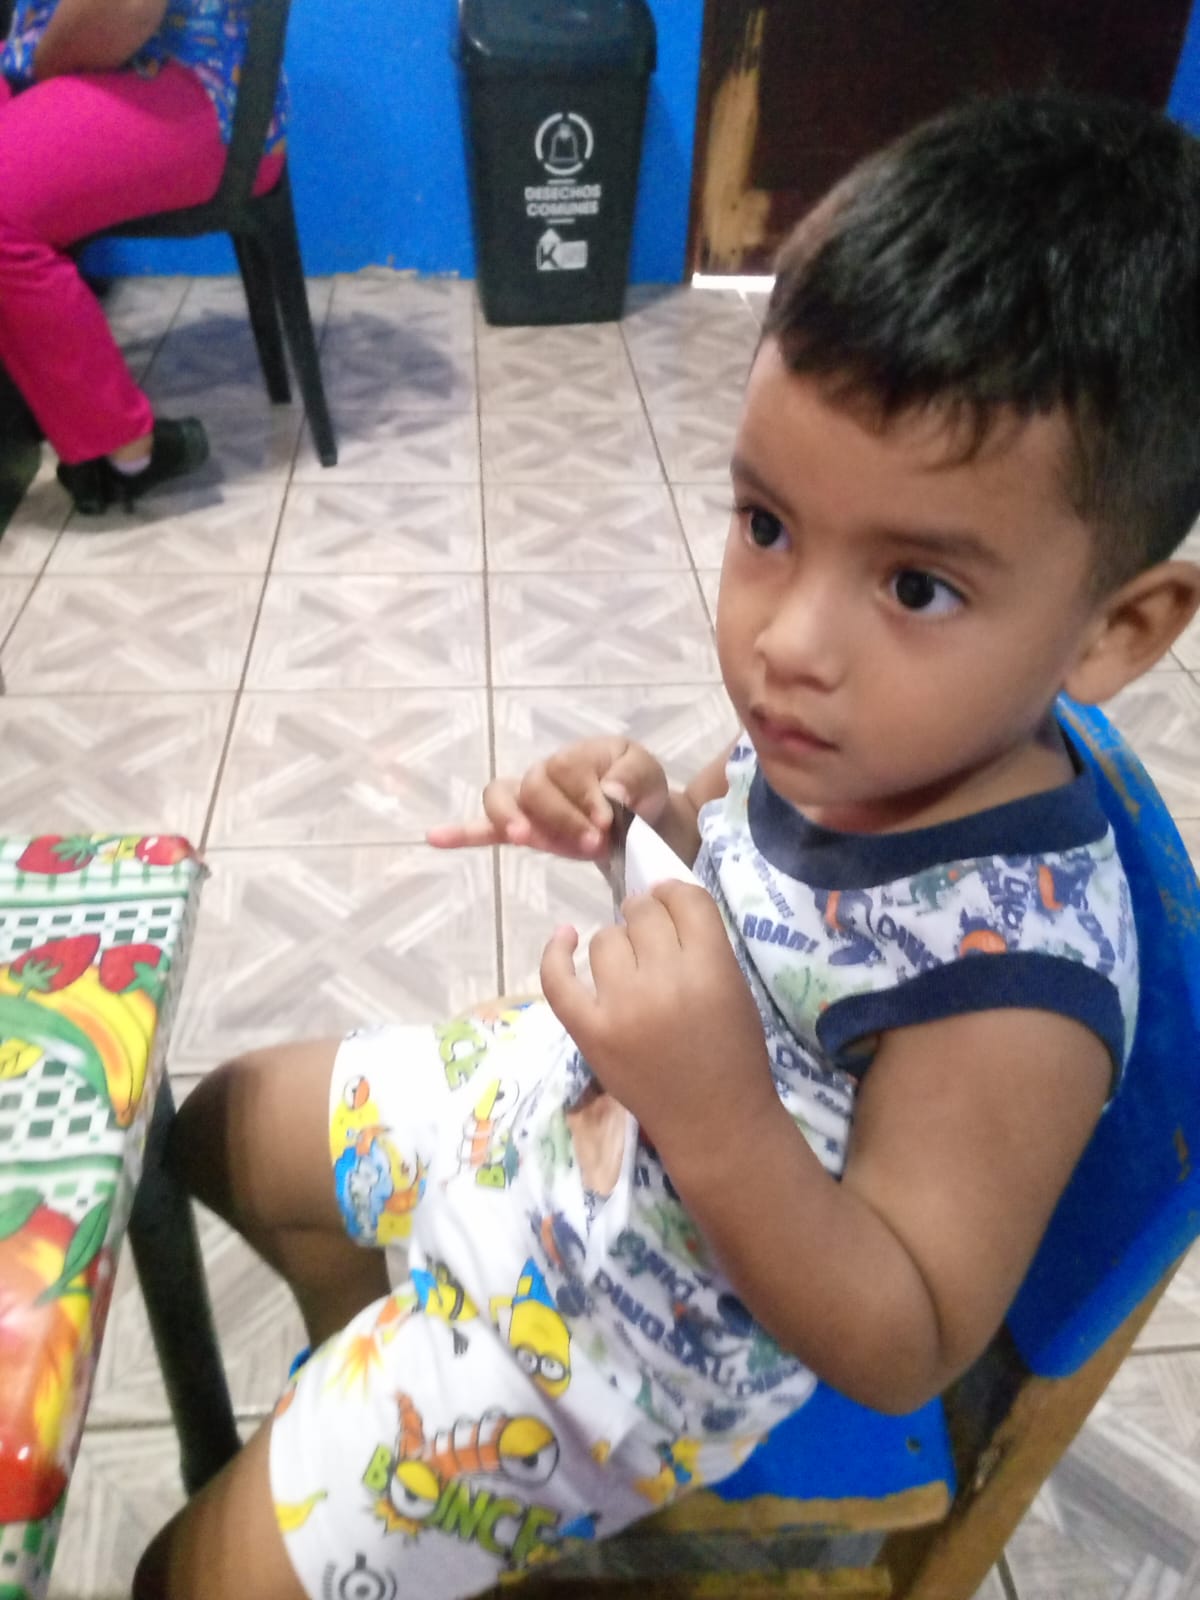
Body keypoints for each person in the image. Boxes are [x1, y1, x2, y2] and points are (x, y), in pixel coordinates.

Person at [135, 90, 1200, 1600]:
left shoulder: (1016, 986)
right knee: (221, 1126)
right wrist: (648, 820)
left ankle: (398, 1435)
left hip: (634, 1338)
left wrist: (717, 1115)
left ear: (1118, 630)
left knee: (185, 1578)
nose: (788, 646)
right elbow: (747, 877)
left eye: (917, 586)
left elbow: (903, 1337)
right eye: (767, 524)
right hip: (562, 1118)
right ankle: (366, 1369)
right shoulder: (869, 730)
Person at [0, 0, 288, 513]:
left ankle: (127, 450)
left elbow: (126, 10)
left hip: (184, 80)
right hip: (78, 57)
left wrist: (35, 76)